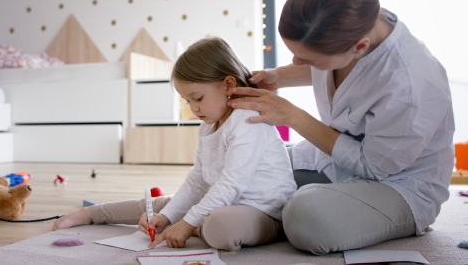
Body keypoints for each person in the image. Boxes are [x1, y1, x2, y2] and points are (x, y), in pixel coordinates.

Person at [228, 0, 455, 254]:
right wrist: (279, 77)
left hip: (398, 186)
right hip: (335, 162)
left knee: (307, 217)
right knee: (248, 162)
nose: (297, 62)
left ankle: (273, 215)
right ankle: (267, 208)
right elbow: (329, 68)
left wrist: (292, 116)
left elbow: (374, 167)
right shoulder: (350, 31)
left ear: (359, 47)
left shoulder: (410, 82)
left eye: (307, 58)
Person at [52, 37, 297, 251]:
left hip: (263, 213)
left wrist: (187, 223)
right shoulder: (209, 125)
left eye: (197, 98)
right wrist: (169, 217)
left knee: (220, 227)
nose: (193, 109)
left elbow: (232, 183)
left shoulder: (247, 120)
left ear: (229, 85)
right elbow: (198, 179)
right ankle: (93, 214)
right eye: (187, 102)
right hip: (222, 203)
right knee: (160, 207)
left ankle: (197, 226)